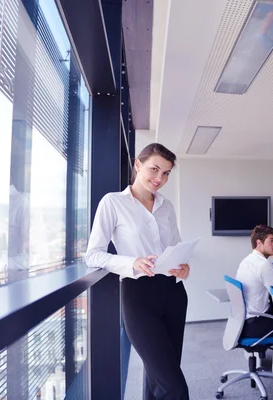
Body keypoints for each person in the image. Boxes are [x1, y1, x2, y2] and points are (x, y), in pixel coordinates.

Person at [85, 143, 190, 400]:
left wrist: (184, 267)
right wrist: (132, 262)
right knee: (173, 386)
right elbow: (93, 255)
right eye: (154, 169)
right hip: (139, 296)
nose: (159, 178)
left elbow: (175, 247)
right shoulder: (113, 202)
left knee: (159, 378)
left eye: (166, 173)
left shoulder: (167, 207)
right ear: (137, 165)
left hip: (174, 294)